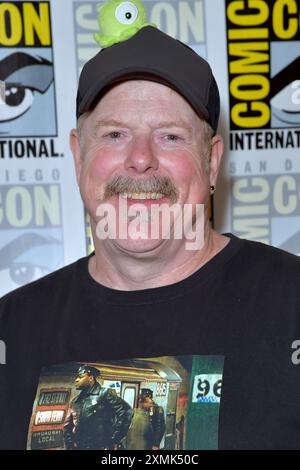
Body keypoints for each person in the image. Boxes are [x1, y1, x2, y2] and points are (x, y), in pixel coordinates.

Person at [1, 20, 300, 450]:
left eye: (170, 136)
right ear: (78, 154)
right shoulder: (12, 331)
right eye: (115, 134)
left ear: (212, 162)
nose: (141, 159)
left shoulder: (291, 304)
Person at [63, 365, 133, 450]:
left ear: (91, 378)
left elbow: (126, 412)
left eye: (80, 377)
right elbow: (67, 426)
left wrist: (115, 439)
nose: (76, 380)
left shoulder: (104, 394)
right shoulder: (75, 401)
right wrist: (70, 446)